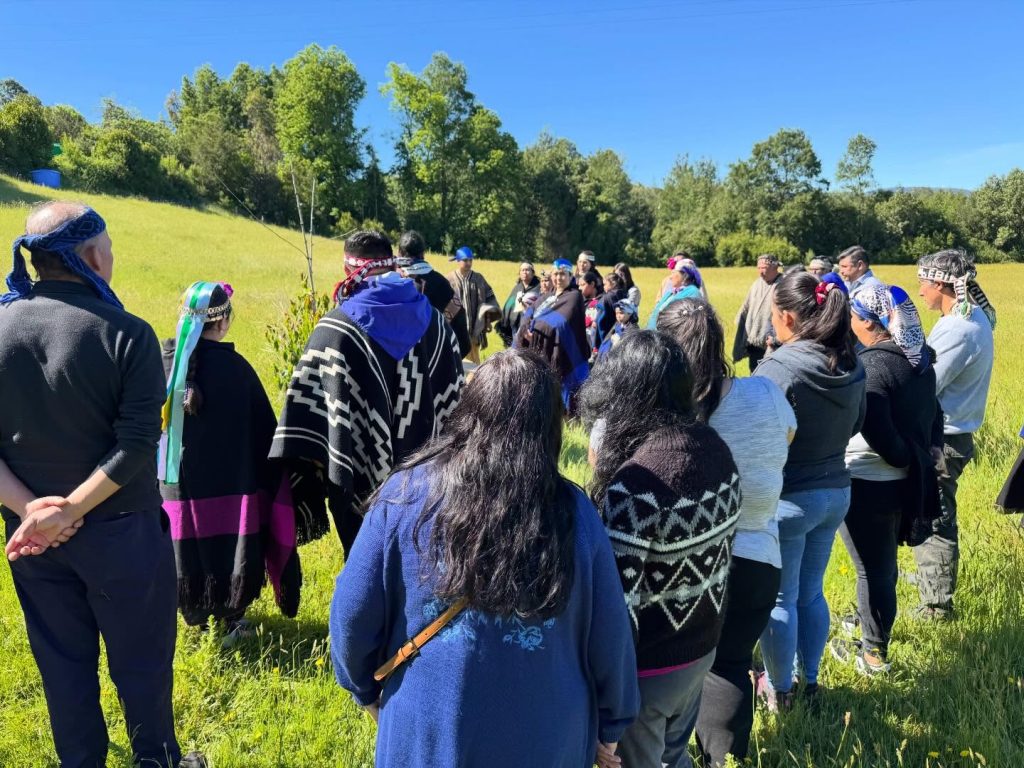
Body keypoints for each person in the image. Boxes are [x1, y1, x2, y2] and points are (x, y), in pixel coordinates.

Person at [330, 349, 640, 768]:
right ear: (550, 427)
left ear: (468, 412)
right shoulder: (578, 515)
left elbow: (351, 615)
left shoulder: (402, 497)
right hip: (547, 741)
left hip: (429, 737)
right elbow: (611, 638)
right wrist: (611, 727)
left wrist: (366, 694)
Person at [0, 202, 204, 768]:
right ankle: (156, 760)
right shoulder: (128, 333)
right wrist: (68, 510)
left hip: (32, 540)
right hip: (122, 534)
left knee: (62, 665)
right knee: (142, 663)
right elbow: (137, 443)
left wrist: (34, 513)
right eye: (108, 248)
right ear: (91, 256)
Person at [580, 331, 741, 768]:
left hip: (649, 670)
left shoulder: (636, 486)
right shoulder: (716, 448)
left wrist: (609, 719)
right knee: (674, 755)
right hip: (701, 649)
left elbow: (618, 610)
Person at [656, 299, 796, 767]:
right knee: (730, 666)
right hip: (758, 556)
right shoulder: (766, 393)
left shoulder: (663, 411)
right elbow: (788, 437)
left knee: (670, 670)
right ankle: (725, 760)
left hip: (687, 561)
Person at [270, 231, 464, 556]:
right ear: (392, 264)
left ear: (348, 269)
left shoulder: (335, 331)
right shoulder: (438, 327)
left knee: (362, 566)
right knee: (419, 568)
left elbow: (305, 418)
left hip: (357, 489)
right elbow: (455, 405)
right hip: (427, 490)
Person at [158, 282, 301, 639]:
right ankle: (231, 617)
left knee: (183, 544)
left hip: (173, 490)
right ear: (222, 323)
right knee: (230, 545)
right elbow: (266, 434)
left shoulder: (160, 365)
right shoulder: (237, 371)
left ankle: (193, 613)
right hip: (232, 490)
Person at [753, 272, 866, 709]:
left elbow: (760, 433)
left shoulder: (780, 368)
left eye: (772, 315)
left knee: (781, 598)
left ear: (786, 316)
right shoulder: (851, 361)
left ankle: (780, 690)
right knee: (812, 592)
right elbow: (857, 424)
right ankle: (811, 682)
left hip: (790, 497)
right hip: (836, 491)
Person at [828, 283, 941, 674]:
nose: (849, 323)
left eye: (853, 316)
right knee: (882, 565)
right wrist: (922, 454)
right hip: (905, 481)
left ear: (868, 321)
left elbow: (878, 429)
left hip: (869, 481)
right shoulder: (918, 357)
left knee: (872, 570)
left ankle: (873, 654)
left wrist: (902, 455)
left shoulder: (873, 366)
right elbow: (935, 411)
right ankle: (868, 625)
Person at [912, 249, 996, 619]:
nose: (920, 291)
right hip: (950, 435)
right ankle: (931, 582)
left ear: (942, 285)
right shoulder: (970, 317)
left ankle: (936, 605)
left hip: (943, 439)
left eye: (923, 283)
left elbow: (926, 384)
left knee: (935, 521)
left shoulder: (958, 328)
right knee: (934, 515)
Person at [515, 258, 591, 413]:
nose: (558, 278)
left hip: (562, 352)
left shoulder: (574, 296)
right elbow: (528, 313)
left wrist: (535, 331)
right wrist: (526, 330)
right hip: (540, 349)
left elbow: (561, 324)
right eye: (555, 274)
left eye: (562, 274)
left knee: (561, 398)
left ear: (570, 276)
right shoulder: (546, 297)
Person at [397, 230, 471, 358]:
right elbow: (461, 336)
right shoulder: (441, 284)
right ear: (423, 254)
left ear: (399, 253)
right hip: (434, 363)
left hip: (394, 365)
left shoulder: (390, 282)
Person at [447, 246, 500, 363]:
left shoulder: (478, 278)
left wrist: (487, 319)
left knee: (474, 364)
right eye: (465, 260)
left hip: (474, 331)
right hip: (455, 330)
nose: (468, 263)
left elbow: (488, 299)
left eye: (470, 260)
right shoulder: (449, 279)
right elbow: (443, 303)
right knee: (455, 360)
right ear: (458, 260)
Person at [732, 254, 782, 372]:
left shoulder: (782, 285)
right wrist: (740, 320)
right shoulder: (756, 284)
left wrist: (776, 339)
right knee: (754, 371)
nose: (760, 272)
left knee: (769, 372)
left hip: (771, 342)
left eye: (764, 268)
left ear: (775, 267)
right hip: (754, 340)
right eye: (758, 268)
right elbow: (746, 306)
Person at [496, 261, 541, 346]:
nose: (525, 272)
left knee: (527, 349)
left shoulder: (539, 287)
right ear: (519, 273)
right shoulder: (517, 287)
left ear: (533, 272)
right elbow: (509, 304)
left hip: (530, 326)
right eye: (522, 270)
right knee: (516, 348)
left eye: (527, 270)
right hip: (514, 324)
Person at [648, 259, 702, 329]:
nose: (670, 277)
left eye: (673, 273)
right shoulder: (671, 292)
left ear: (684, 275)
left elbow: (688, 321)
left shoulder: (693, 293)